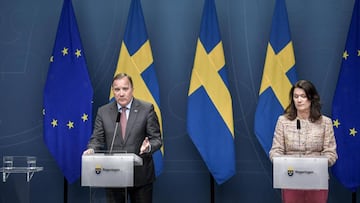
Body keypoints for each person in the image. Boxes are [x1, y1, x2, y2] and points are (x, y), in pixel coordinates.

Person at [83, 73, 162, 203]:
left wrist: (148, 147)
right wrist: (91, 150)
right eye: (117, 89)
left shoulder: (146, 109)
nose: (121, 93)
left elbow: (157, 139)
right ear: (113, 91)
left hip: (140, 176)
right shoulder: (103, 112)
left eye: (125, 89)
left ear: (132, 89)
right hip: (113, 174)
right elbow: (97, 139)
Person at [269, 80, 338, 203]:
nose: (299, 100)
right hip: (290, 177)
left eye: (303, 96)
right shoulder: (283, 121)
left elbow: (331, 154)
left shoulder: (325, 122)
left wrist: (316, 163)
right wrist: (281, 161)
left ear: (311, 98)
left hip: (316, 178)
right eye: (296, 97)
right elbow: (275, 150)